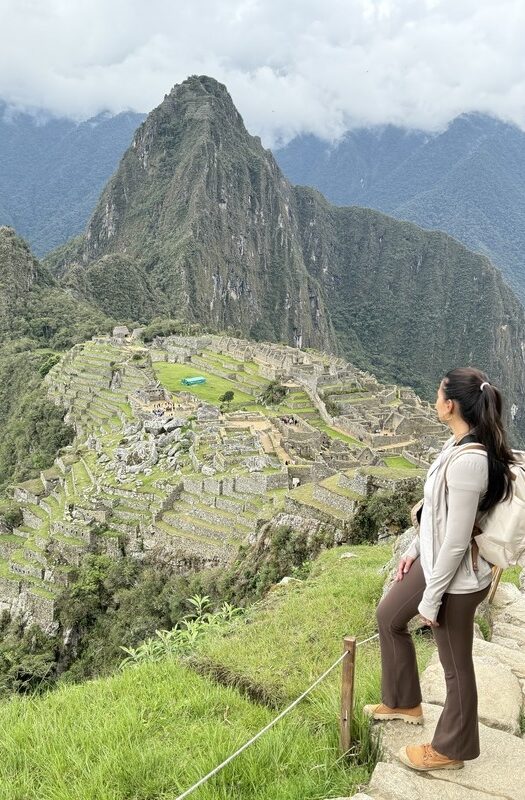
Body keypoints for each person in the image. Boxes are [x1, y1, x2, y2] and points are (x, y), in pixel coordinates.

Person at [364, 367, 515, 771]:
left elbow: (456, 538)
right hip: (433, 562)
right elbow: (436, 515)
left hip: (458, 579)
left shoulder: (471, 461)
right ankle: (403, 701)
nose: (433, 403)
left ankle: (452, 748)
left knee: (455, 665)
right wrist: (414, 549)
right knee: (389, 615)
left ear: (450, 405)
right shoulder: (454, 445)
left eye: (437, 396)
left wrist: (432, 598)